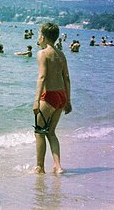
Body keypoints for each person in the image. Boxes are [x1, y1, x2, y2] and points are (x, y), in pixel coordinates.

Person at [32, 22, 72, 174]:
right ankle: (58, 166)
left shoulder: (42, 54)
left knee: (40, 132)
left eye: (38, 35)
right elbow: (67, 78)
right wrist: (68, 100)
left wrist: (36, 100)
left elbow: (42, 77)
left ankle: (40, 167)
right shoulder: (61, 54)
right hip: (61, 95)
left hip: (48, 96)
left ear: (42, 36)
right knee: (51, 132)